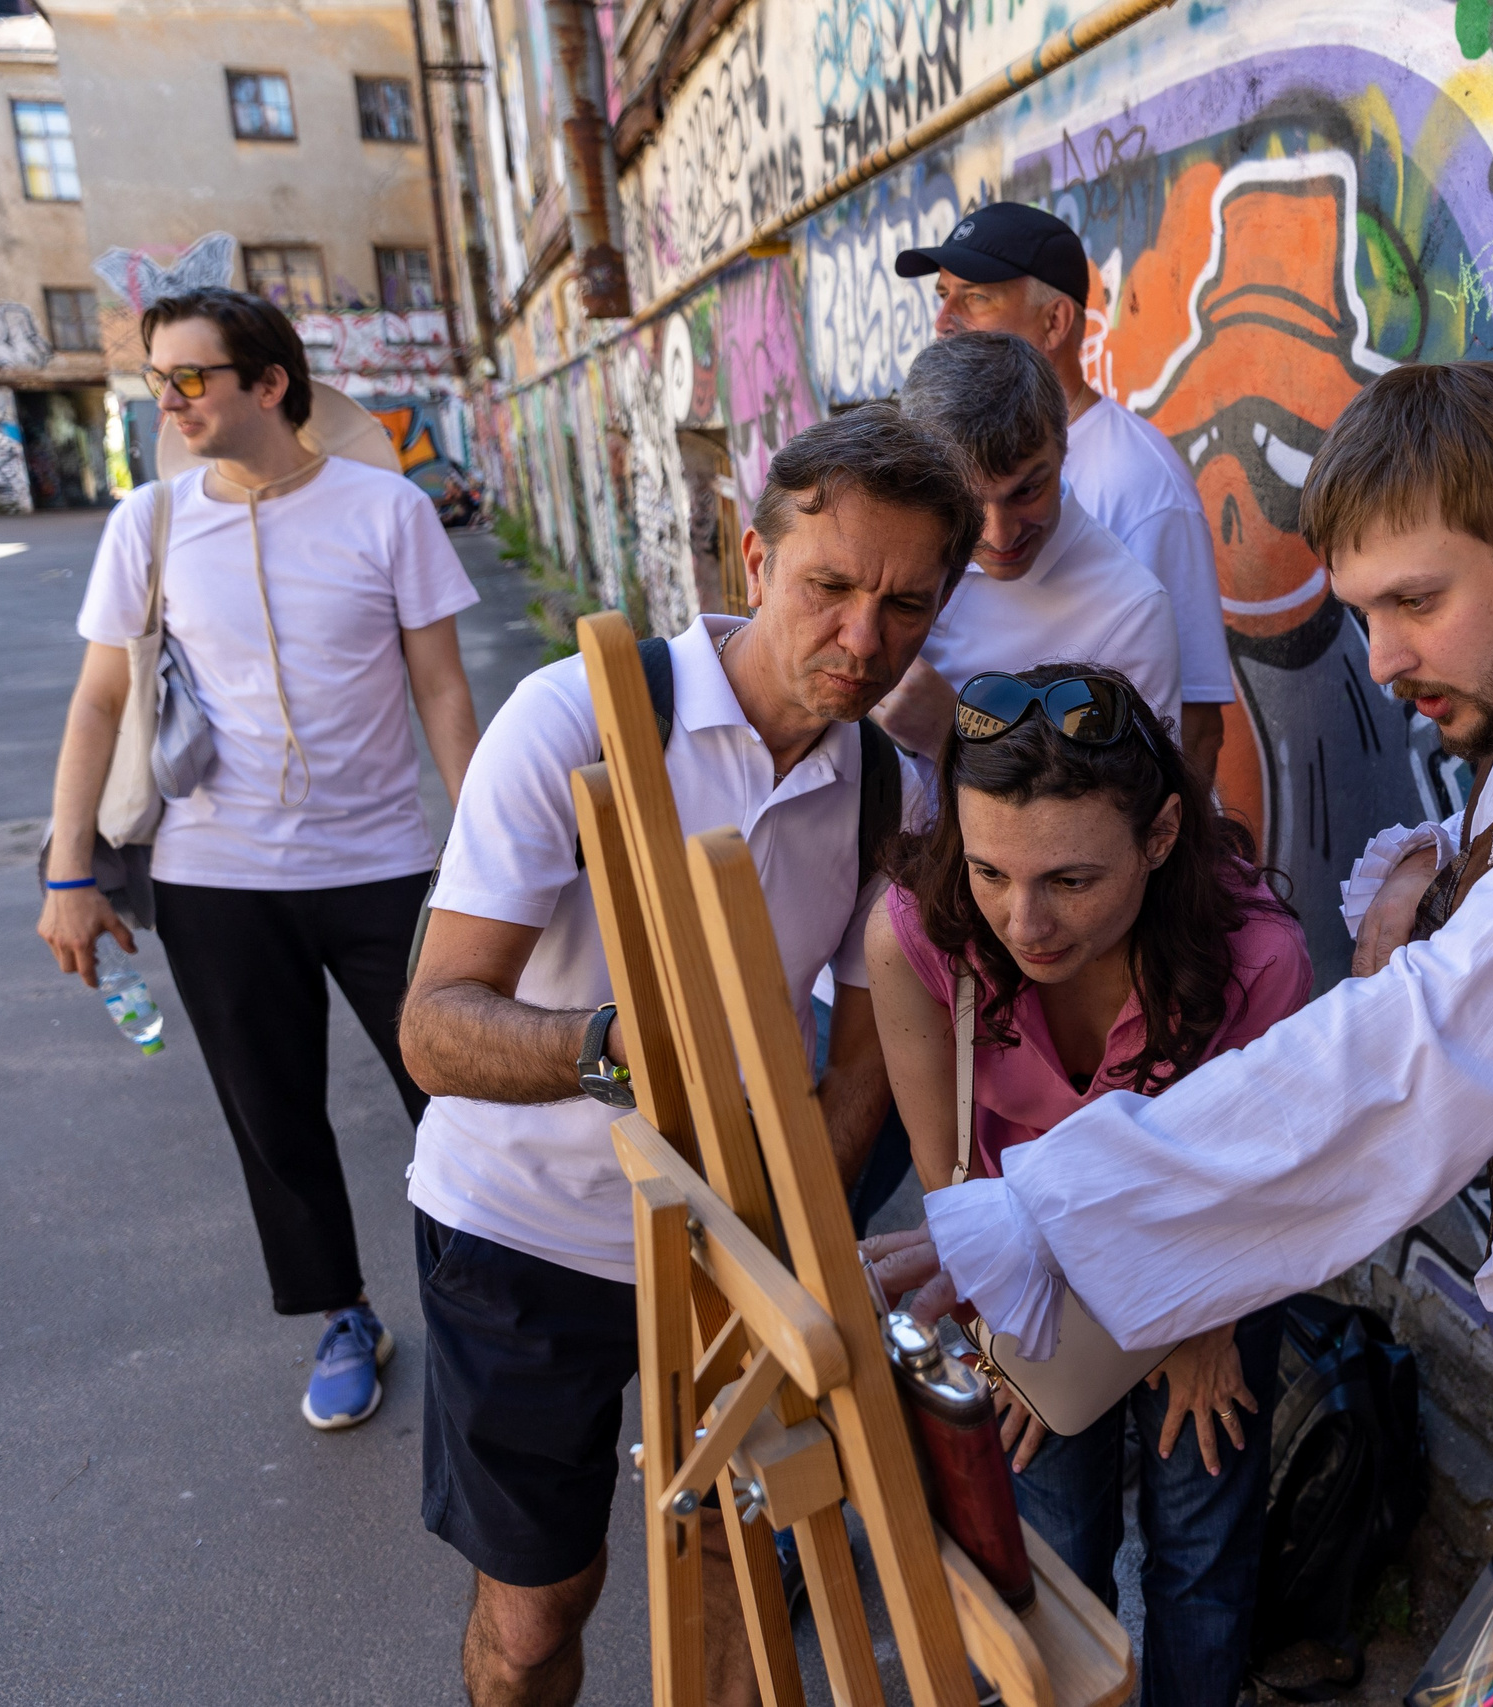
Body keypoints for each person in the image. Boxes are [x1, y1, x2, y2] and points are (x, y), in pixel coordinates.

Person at [871, 361, 1493, 1647]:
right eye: (1362, 613)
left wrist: (1042, 1208)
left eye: (1415, 602)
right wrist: (1432, 867)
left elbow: (1418, 1052)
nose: (1381, 659)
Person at [395, 405, 981, 1707]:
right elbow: (434, 1025)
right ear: (751, 556)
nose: (863, 638)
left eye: (907, 606)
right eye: (831, 585)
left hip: (724, 1250)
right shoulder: (578, 721)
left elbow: (862, 1070)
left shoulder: (894, 789)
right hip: (518, 1227)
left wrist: (788, 1233)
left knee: (727, 1579)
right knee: (541, 1615)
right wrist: (620, 1052)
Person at [37, 286, 479, 1433]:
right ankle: (341, 1312)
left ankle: (491, 1297)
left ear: (268, 384)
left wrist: (497, 845)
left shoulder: (388, 512)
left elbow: (441, 686)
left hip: (384, 864)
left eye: (191, 378)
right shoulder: (152, 524)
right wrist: (68, 873)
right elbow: (97, 702)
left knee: (464, 1094)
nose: (169, 401)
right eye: (158, 380)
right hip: (216, 878)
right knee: (272, 1115)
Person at [867, 662, 1309, 1706]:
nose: (1023, 922)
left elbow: (1265, 1190)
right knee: (1050, 1545)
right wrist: (1006, 1336)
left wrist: (1200, 1321)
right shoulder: (921, 931)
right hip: (1016, 1272)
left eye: (1070, 880)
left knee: (1199, 1551)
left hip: (1211, 1268)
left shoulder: (1258, 961)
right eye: (990, 872)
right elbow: (945, 1173)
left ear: (1159, 839)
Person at [895, 205, 1233, 780]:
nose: (944, 321)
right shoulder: (924, 460)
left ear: (1054, 324)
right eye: (943, 294)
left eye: (975, 298)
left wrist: (955, 736)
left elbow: (1190, 729)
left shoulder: (1140, 483)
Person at [872, 332, 1185, 763]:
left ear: (1064, 448)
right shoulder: (881, 541)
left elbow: (1129, 811)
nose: (999, 535)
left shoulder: (1129, 611)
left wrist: (953, 733)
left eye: (1027, 491)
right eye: (969, 500)